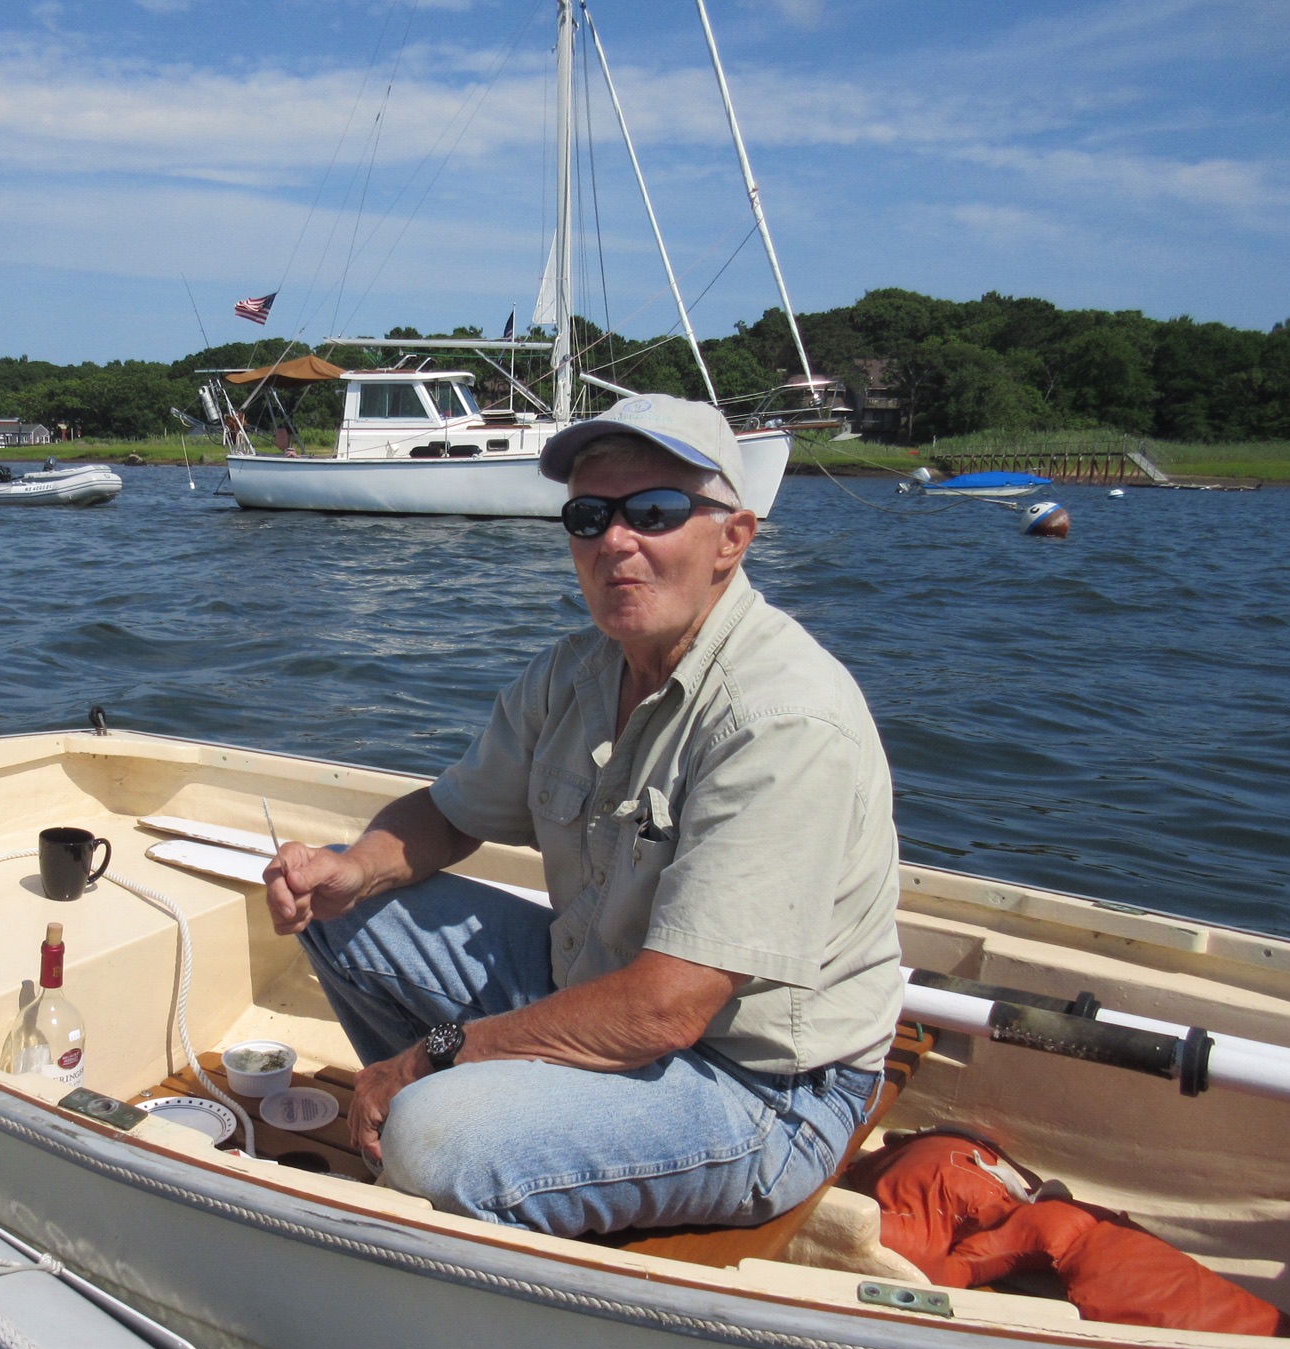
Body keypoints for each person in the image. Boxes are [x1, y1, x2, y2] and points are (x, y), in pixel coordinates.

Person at [263, 395, 903, 1239]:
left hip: (757, 1089)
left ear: (733, 538)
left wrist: (434, 1056)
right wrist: (350, 871)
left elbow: (669, 1009)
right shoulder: (575, 673)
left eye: (656, 512)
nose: (615, 542)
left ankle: (453, 1153)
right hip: (596, 983)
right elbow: (451, 815)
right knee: (349, 909)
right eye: (589, 515)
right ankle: (471, 1151)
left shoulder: (783, 720)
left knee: (435, 1136)